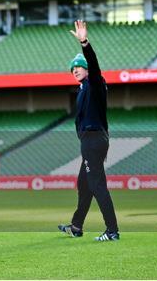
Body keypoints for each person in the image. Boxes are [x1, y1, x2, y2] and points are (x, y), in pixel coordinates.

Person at [58, 20, 120, 242]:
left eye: (79, 67)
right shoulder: (84, 89)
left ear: (87, 69)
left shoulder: (94, 83)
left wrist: (84, 42)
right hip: (91, 139)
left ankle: (112, 230)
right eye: (73, 69)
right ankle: (76, 225)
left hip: (93, 139)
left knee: (96, 184)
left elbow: (94, 65)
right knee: (84, 183)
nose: (75, 70)